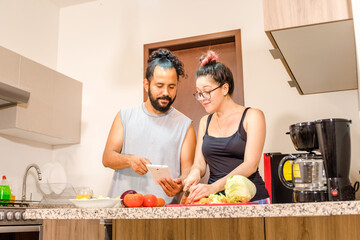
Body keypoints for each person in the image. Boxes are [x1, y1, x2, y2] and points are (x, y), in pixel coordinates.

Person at [103, 49, 196, 204]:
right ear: (146, 84)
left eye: (172, 87)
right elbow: (107, 158)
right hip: (122, 210)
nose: (166, 92)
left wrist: (181, 184)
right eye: (159, 85)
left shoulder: (185, 125)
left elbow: (188, 170)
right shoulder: (124, 116)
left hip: (163, 212)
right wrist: (129, 160)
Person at [183, 51, 269, 204]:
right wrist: (194, 173)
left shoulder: (253, 116)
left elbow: (250, 165)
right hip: (216, 201)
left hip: (251, 199)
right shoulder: (205, 121)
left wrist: (213, 187)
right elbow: (199, 164)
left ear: (224, 88)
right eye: (199, 93)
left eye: (207, 92)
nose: (202, 99)